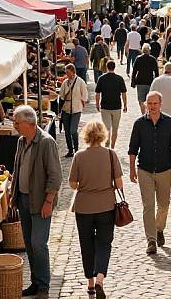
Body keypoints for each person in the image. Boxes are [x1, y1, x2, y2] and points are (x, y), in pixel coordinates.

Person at [11, 105, 62, 299]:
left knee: (38, 243)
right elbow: (17, 168)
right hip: (24, 199)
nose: (14, 125)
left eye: (17, 122)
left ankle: (44, 286)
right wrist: (13, 194)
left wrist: (49, 201)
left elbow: (55, 175)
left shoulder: (46, 142)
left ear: (29, 123)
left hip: (40, 201)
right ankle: (35, 281)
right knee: (29, 244)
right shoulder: (21, 142)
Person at [69, 122, 123, 298]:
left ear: (85, 135)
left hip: (83, 206)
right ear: (103, 135)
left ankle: (90, 283)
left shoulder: (79, 156)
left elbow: (73, 183)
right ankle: (100, 278)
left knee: (86, 244)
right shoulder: (110, 154)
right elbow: (119, 183)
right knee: (104, 243)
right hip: (106, 205)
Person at [128, 91, 171, 255]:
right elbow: (132, 149)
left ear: (161, 104)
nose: (152, 107)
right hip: (144, 169)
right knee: (148, 206)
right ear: (145, 104)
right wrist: (131, 169)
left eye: (155, 103)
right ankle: (151, 240)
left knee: (164, 205)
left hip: (165, 169)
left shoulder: (170, 123)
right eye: (149, 103)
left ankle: (159, 229)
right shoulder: (139, 124)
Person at [95, 61, 128, 149]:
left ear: (106, 67)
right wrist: (125, 105)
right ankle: (112, 147)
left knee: (106, 128)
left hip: (105, 106)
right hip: (117, 106)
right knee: (115, 128)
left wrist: (97, 104)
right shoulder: (119, 79)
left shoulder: (101, 78)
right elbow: (124, 93)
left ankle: (107, 144)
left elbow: (97, 93)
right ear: (114, 67)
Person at [59, 64, 89, 157]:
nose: (66, 74)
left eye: (68, 72)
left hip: (76, 109)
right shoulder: (65, 82)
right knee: (67, 131)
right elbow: (62, 95)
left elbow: (84, 95)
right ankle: (70, 150)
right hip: (66, 109)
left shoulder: (80, 82)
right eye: (66, 72)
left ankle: (76, 148)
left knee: (73, 130)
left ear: (73, 71)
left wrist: (81, 103)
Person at [131, 43, 160, 115]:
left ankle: (143, 113)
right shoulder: (153, 59)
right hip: (150, 81)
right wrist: (156, 82)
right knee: (149, 99)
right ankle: (148, 113)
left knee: (141, 100)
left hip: (140, 81)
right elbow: (156, 72)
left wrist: (133, 82)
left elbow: (134, 71)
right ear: (149, 50)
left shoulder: (138, 58)